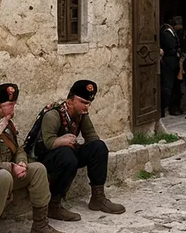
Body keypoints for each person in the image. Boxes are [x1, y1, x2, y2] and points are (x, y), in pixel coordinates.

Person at [0, 83, 68, 233]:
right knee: (4, 176)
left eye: (14, 104)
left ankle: (40, 225)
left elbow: (19, 149)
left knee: (38, 169)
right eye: (9, 104)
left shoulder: (10, 124)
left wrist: (22, 162)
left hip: (11, 171)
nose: (13, 107)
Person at [34, 80, 126, 221]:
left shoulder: (81, 114)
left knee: (99, 147)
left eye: (88, 103)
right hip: (50, 157)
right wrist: (62, 140)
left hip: (69, 153)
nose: (86, 107)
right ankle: (54, 205)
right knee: (68, 155)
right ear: (70, 101)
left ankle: (98, 197)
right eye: (83, 102)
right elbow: (48, 143)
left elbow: (91, 136)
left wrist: (93, 151)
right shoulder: (53, 114)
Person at [160, 17, 182, 118]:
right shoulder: (166, 32)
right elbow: (171, 46)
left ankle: (173, 107)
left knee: (175, 86)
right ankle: (163, 108)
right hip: (169, 63)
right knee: (167, 86)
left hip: (173, 62)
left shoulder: (172, 32)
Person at [169, 16, 185, 116]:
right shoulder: (167, 32)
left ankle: (177, 107)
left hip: (177, 63)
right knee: (173, 87)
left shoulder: (177, 33)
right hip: (172, 63)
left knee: (178, 87)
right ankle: (172, 108)